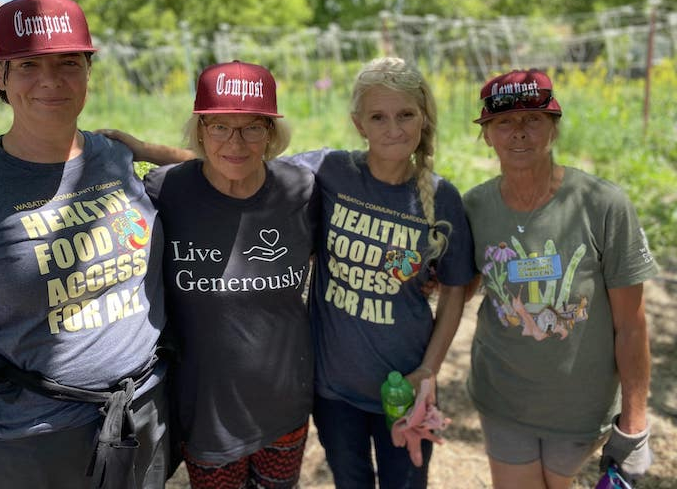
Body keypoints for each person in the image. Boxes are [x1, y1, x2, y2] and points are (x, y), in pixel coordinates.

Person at [102, 56, 475, 488]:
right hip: (268, 402)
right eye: (219, 126)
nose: (236, 141)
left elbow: (454, 283)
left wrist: (427, 352)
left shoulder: (328, 188)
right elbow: (224, 166)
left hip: (343, 395)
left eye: (406, 114)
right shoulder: (176, 188)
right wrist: (145, 150)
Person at [0, 0, 170, 489]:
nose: (51, 80)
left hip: (143, 410)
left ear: (88, 70)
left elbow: (222, 168)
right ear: (1, 73)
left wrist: (146, 149)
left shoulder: (117, 158)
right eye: (29, 64)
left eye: (68, 63)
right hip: (34, 438)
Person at [462, 69, 658, 488]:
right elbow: (456, 291)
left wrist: (636, 422)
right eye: (503, 122)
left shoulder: (603, 206)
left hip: (580, 407)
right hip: (503, 396)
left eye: (531, 119)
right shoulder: (474, 207)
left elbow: (631, 324)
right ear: (487, 135)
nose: (518, 133)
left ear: (553, 127)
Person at [142, 60, 318, 488]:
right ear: (200, 131)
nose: (235, 143)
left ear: (271, 134)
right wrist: (135, 146)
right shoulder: (166, 192)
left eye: (252, 128)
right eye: (220, 127)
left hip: (285, 405)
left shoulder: (302, 190)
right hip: (208, 414)